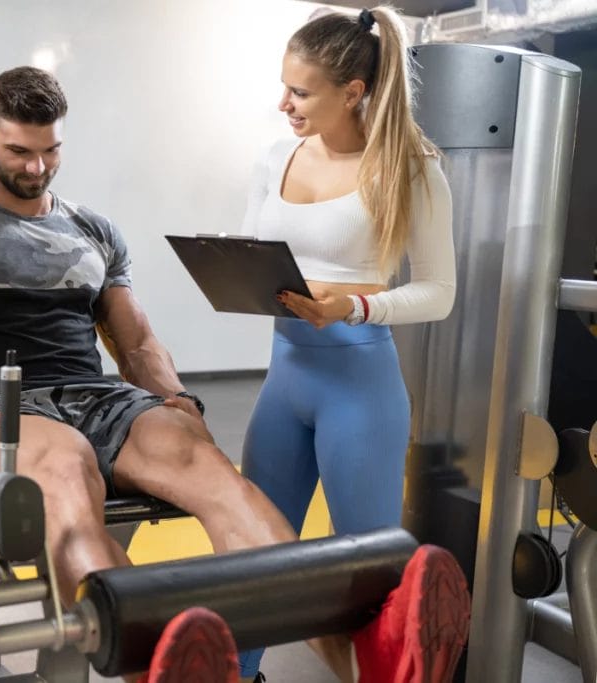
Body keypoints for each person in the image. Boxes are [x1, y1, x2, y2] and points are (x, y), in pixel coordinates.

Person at [0, 65, 467, 682]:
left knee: (215, 475)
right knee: (63, 471)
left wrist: (176, 400)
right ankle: (158, 659)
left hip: (100, 399)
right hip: (6, 406)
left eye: (50, 151)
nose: (36, 168)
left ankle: (365, 660)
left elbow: (134, 340)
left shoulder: (94, 230)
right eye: (19, 152)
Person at [235, 7, 458, 680]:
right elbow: (250, 248)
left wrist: (356, 304)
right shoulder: (275, 157)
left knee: (367, 581)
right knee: (252, 556)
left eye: (300, 92)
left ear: (353, 92)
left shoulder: (410, 168)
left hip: (357, 389)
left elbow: (440, 292)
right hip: (285, 379)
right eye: (284, 86)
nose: (284, 104)